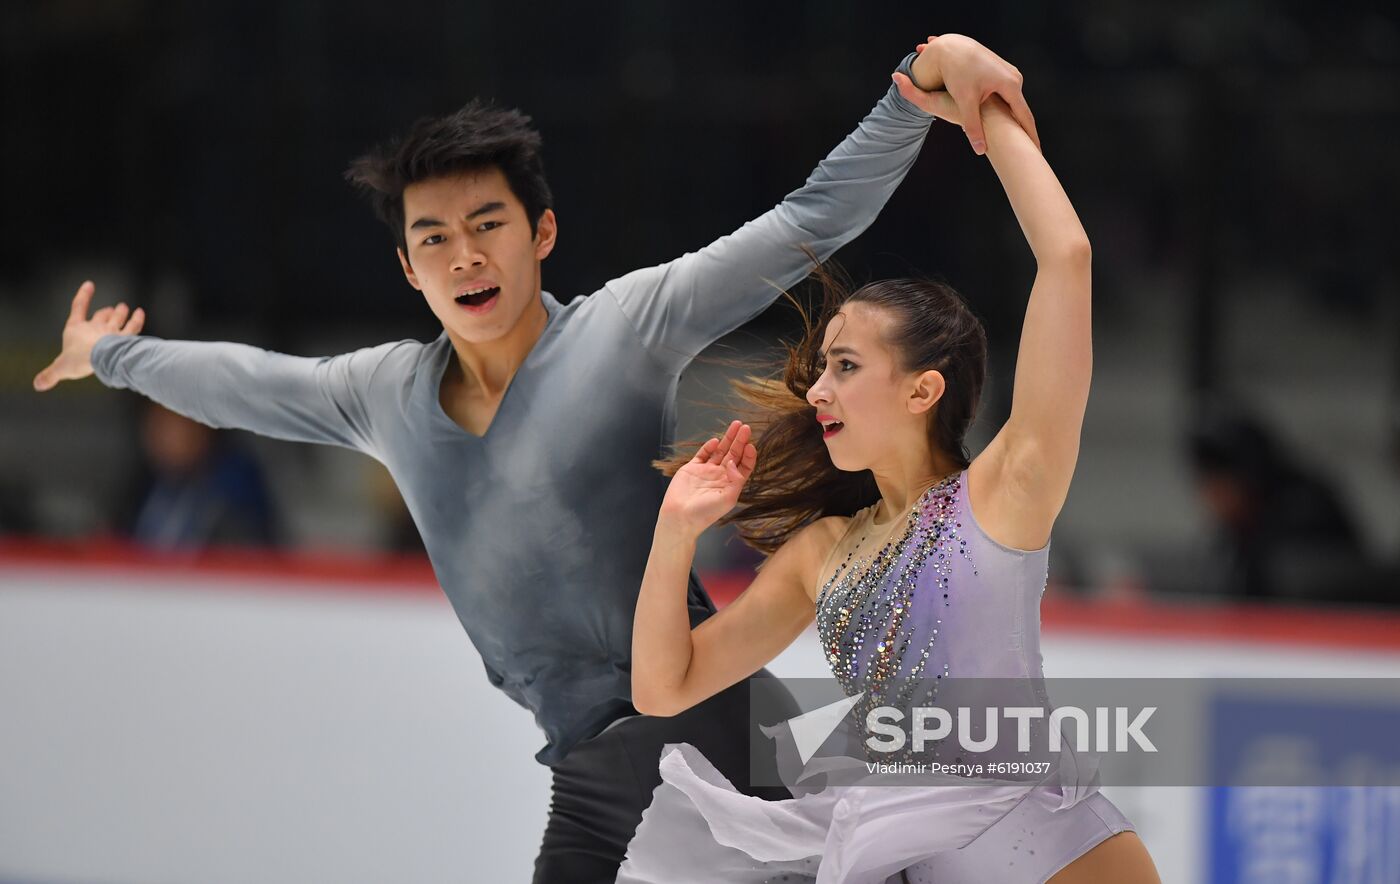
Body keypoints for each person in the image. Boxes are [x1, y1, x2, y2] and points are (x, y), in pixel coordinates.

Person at [31, 34, 1038, 882]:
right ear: (406, 266)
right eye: (434, 237)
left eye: (487, 225)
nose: (464, 254)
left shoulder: (621, 329)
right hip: (590, 762)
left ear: (541, 230)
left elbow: (804, 222)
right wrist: (108, 355)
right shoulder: (381, 394)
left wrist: (911, 88)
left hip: (695, 723)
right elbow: (244, 380)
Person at [619, 86, 1160, 881]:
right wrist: (673, 536)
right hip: (908, 851)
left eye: (845, 366)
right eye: (821, 367)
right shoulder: (822, 552)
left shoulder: (1005, 493)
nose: (816, 390)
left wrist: (986, 108)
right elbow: (664, 688)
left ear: (923, 389)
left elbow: (1067, 257)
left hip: (1053, 848)